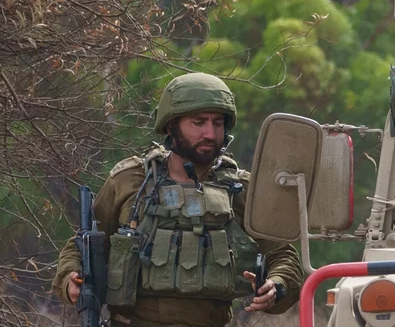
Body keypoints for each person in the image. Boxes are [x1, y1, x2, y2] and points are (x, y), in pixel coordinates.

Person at [52, 73, 302, 327]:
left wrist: (277, 286)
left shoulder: (240, 190)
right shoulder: (130, 181)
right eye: (198, 122)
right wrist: (70, 279)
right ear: (171, 126)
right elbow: (84, 246)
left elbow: (282, 256)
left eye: (218, 123)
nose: (210, 133)